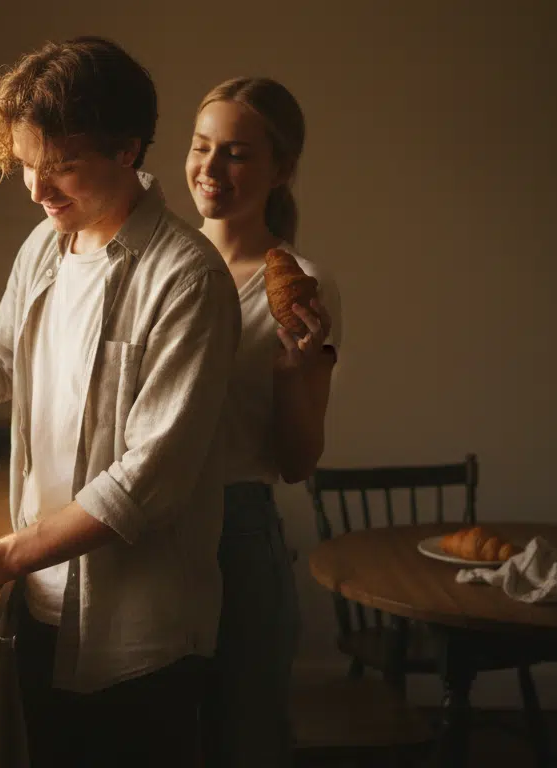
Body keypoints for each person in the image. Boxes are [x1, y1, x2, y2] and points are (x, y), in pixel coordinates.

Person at [0, 37, 241, 767]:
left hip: (139, 638)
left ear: (128, 150)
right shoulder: (44, 246)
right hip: (40, 605)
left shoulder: (186, 279)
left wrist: (3, 554)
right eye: (28, 164)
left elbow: (146, 483)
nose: (37, 189)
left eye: (60, 166)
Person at [186, 77, 343, 766]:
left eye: (238, 154)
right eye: (201, 147)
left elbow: (299, 461)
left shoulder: (303, 284)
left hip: (236, 533)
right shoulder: (157, 262)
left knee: (242, 740)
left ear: (282, 170)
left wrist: (288, 374)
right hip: (140, 528)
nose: (211, 170)